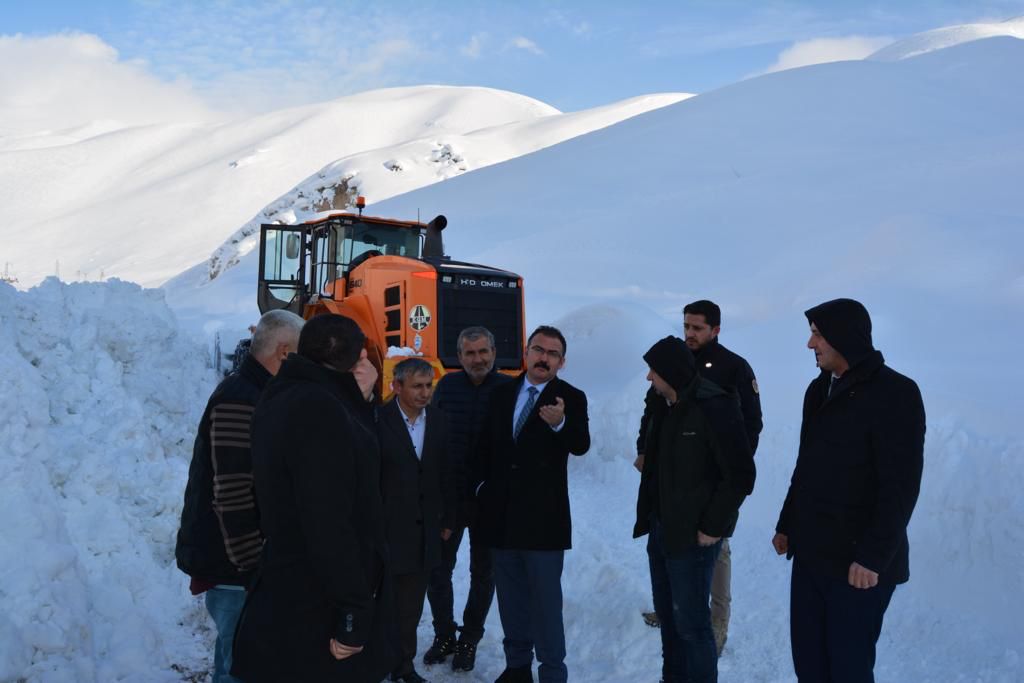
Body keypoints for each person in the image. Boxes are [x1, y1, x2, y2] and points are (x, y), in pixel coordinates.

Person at [231, 313, 396, 683]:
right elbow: (328, 520)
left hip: (293, 588)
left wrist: (356, 399)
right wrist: (354, 611)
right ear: (356, 362)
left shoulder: (283, 393)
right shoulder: (319, 407)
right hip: (316, 605)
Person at [772, 298, 925, 683]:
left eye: (818, 334)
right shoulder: (818, 389)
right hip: (811, 554)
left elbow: (901, 486)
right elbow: (806, 465)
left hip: (858, 567)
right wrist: (787, 522)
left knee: (848, 671)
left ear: (845, 337)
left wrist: (873, 557)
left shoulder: (896, 393)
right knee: (809, 665)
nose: (811, 344)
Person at [175, 309, 304, 683]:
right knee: (242, 662)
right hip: (234, 565)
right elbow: (231, 490)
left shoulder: (255, 390)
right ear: (283, 352)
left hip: (237, 561)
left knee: (234, 654)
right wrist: (252, 563)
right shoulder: (241, 398)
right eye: (301, 353)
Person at [635, 300, 762, 653]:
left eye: (697, 328)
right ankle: (674, 609)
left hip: (713, 485)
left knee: (716, 550)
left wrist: (723, 472)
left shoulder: (734, 368)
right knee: (671, 548)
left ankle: (716, 623)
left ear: (715, 330)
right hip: (671, 481)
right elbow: (653, 409)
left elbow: (750, 425)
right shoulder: (674, 359)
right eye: (686, 326)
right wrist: (645, 449)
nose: (689, 333)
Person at [473, 325, 590, 683]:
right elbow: (483, 448)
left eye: (552, 353)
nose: (543, 358)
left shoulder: (570, 397)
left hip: (544, 522)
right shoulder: (501, 393)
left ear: (562, 362)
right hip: (502, 517)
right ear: (525, 353)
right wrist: (480, 489)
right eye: (538, 349)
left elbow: (581, 444)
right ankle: (517, 667)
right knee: (510, 600)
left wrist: (561, 424)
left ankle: (553, 673)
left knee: (545, 606)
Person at [423, 326, 512, 672]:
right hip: (450, 498)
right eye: (470, 353)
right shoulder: (446, 387)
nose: (478, 359)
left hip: (490, 501)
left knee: (484, 572)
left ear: (493, 352)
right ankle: (444, 634)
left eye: (483, 352)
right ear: (459, 357)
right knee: (438, 569)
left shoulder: (509, 389)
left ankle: (470, 638)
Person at [379, 358, 455, 683]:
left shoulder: (439, 421)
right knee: (380, 606)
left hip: (423, 534)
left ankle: (403, 667)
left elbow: (448, 473)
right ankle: (372, 664)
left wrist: (448, 517)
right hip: (383, 532)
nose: (425, 393)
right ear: (397, 387)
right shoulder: (375, 420)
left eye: (429, 386)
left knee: (410, 609)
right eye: (417, 386)